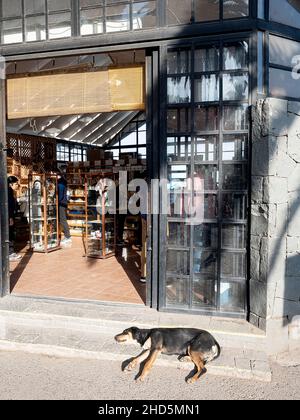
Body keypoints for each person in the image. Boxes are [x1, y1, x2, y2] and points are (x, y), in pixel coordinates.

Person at [7, 176, 22, 262]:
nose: (17, 185)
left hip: (10, 216)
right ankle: (10, 253)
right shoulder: (8, 192)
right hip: (9, 217)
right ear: (10, 184)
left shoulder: (10, 192)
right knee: (10, 234)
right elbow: (8, 206)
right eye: (16, 183)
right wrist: (10, 218)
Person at [57, 171, 72, 247]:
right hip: (63, 203)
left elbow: (59, 195)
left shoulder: (60, 184)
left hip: (61, 204)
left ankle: (67, 236)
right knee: (62, 219)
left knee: (62, 219)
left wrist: (56, 202)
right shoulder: (62, 182)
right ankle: (65, 235)